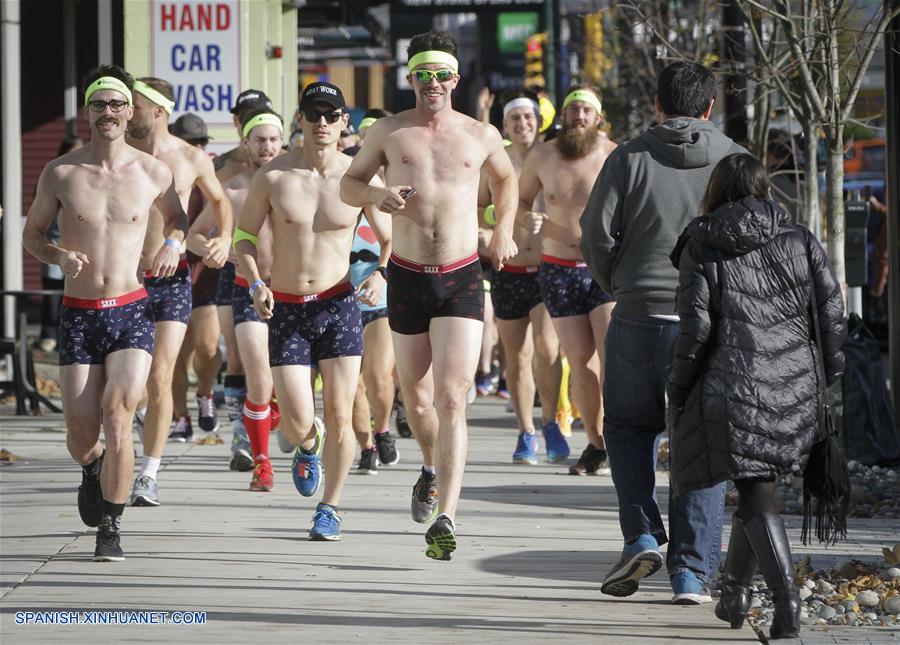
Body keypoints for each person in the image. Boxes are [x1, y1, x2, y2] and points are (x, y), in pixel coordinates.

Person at [340, 30, 518, 560]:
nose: (433, 82)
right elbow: (348, 184)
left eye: (442, 74)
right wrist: (377, 193)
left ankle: (447, 515)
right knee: (415, 400)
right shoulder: (391, 133)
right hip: (407, 275)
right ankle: (429, 468)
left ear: (455, 79)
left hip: (461, 275)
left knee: (450, 396)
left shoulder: (480, 134)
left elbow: (506, 181)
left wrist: (503, 227)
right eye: (423, 74)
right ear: (410, 78)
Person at [580, 62, 745, 603]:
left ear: (657, 104)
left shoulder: (627, 157)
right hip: (707, 325)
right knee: (700, 443)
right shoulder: (734, 160)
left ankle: (643, 535)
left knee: (628, 429)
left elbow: (595, 235)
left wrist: (620, 284)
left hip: (637, 316)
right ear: (708, 108)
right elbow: (755, 238)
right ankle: (691, 573)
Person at [668, 153, 846, 639]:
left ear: (715, 191)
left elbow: (696, 327)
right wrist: (827, 377)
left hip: (734, 385)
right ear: (766, 188)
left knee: (753, 491)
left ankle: (787, 605)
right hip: (796, 384)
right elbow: (831, 312)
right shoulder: (800, 238)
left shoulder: (701, 245)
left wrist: (678, 385)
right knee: (757, 486)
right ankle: (736, 595)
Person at [22, 65, 188, 561]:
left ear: (131, 111)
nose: (109, 112)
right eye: (100, 104)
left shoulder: (153, 171)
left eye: (117, 104)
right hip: (78, 311)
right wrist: (57, 256)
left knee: (119, 416)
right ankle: (93, 466)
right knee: (80, 433)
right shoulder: (63, 172)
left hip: (131, 310)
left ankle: (110, 526)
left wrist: (174, 244)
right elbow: (32, 235)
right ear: (88, 111)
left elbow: (178, 216)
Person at [235, 81, 391, 540]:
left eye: (331, 114)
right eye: (313, 114)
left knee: (342, 414)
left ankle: (331, 508)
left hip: (338, 304)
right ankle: (309, 444)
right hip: (286, 309)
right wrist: (256, 283)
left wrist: (381, 273)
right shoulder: (275, 176)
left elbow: (390, 237)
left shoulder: (358, 179)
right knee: (300, 421)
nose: (322, 123)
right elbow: (243, 238)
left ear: (344, 122)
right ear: (298, 121)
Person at [125, 77, 232, 507]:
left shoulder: (190, 158)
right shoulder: (120, 156)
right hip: (124, 280)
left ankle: (148, 473)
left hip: (169, 280)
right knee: (128, 386)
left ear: (158, 111)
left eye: (133, 105)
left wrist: (219, 237)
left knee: (160, 375)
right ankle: (136, 421)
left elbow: (220, 201)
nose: (126, 112)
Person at [517, 84, 617, 475]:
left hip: (603, 269)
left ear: (598, 118)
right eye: (573, 109)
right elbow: (521, 201)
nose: (578, 116)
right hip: (558, 268)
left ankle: (617, 438)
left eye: (585, 111)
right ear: (563, 115)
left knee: (612, 359)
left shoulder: (613, 155)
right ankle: (595, 442)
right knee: (580, 362)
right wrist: (527, 220)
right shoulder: (544, 155)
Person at [189, 107, 285, 488]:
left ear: (283, 140)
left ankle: (275, 418)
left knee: (289, 389)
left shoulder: (297, 180)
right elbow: (194, 234)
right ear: (245, 142)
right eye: (259, 139)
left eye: (273, 139)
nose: (267, 146)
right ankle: (261, 461)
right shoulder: (231, 189)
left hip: (295, 290)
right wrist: (219, 247)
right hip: (249, 287)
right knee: (257, 377)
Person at [481, 90, 562, 464]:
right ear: (505, 125)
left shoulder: (553, 157)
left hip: (548, 265)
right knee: (517, 355)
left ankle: (551, 422)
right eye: (515, 119)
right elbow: (481, 209)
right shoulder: (498, 164)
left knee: (547, 349)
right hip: (509, 269)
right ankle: (525, 431)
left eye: (529, 117)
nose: (523, 124)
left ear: (539, 121)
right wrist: (506, 220)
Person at [36, 136, 85, 353]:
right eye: (72, 151)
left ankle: (70, 334)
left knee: (73, 291)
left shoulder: (87, 179)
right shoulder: (55, 175)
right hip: (56, 244)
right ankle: (48, 334)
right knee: (52, 293)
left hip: (79, 249)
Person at [214, 89, 275, 182]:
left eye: (259, 118)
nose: (250, 124)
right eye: (245, 117)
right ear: (235, 120)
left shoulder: (289, 162)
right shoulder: (217, 167)